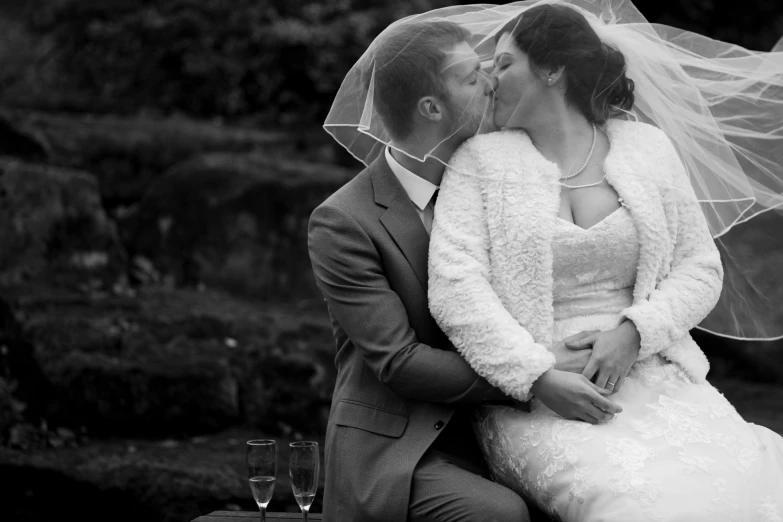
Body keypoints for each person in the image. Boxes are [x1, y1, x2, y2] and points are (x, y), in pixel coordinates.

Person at [428, 3, 783, 521]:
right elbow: (456, 289)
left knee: (748, 486)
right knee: (636, 504)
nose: (490, 80)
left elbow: (699, 267)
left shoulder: (648, 148)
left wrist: (635, 333)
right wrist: (537, 374)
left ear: (552, 69)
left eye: (504, 64)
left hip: (658, 377)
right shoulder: (478, 163)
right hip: (542, 402)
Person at [308, 18, 606, 522]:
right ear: (431, 107)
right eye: (471, 77)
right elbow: (400, 362)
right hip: (406, 448)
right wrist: (534, 374)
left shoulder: (504, 177)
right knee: (500, 513)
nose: (492, 80)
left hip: (509, 424)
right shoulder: (344, 222)